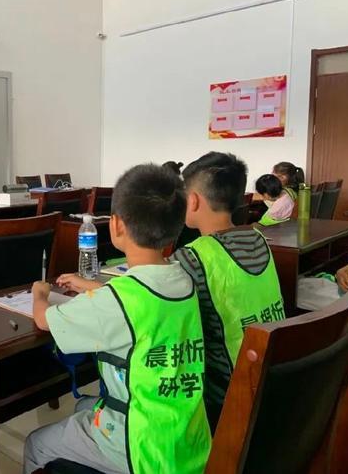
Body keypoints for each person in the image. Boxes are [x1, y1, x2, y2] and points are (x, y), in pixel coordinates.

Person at [24, 164, 210, 474]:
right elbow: (141, 304)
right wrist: (95, 288)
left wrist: (39, 294)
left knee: (36, 443)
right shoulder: (183, 279)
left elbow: (44, 321)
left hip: (139, 447)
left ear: (116, 225)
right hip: (186, 437)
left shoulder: (119, 300)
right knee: (85, 405)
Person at [173, 152, 284, 431]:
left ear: (193, 200)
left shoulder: (193, 257)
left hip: (226, 401)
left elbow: (148, 299)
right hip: (272, 378)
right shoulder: (258, 239)